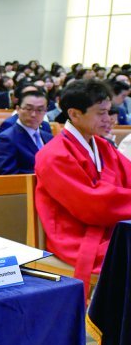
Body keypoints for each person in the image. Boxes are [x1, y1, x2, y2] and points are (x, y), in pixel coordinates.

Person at [35, 80, 131, 293]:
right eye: (100, 113)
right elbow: (93, 204)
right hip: (77, 235)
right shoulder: (53, 155)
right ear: (75, 114)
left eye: (108, 112)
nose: (108, 119)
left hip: (109, 229)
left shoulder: (102, 145)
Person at [0, 87, 52, 175]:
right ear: (18, 109)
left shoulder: (49, 137)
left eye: (40, 110)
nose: (33, 114)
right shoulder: (7, 138)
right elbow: (8, 176)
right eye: (29, 109)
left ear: (45, 111)